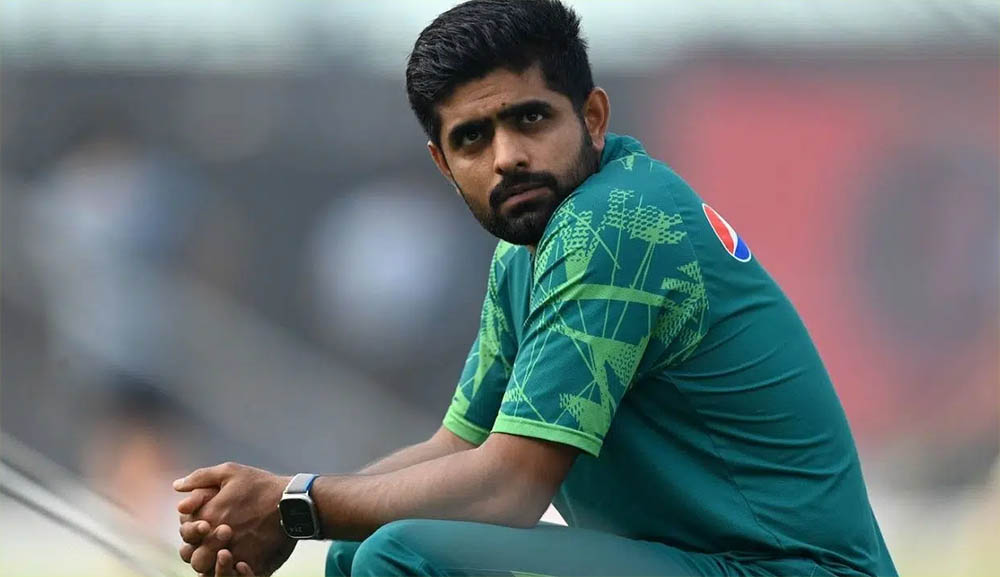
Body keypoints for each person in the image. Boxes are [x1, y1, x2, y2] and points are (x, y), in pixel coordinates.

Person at [174, 1, 897, 575]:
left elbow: (510, 487)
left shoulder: (614, 223)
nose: (508, 157)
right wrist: (295, 507)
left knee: (404, 556)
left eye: (530, 118)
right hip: (704, 563)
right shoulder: (528, 250)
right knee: (356, 547)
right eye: (472, 138)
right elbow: (459, 445)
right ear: (442, 162)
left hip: (785, 569)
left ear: (592, 118)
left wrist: (293, 505)